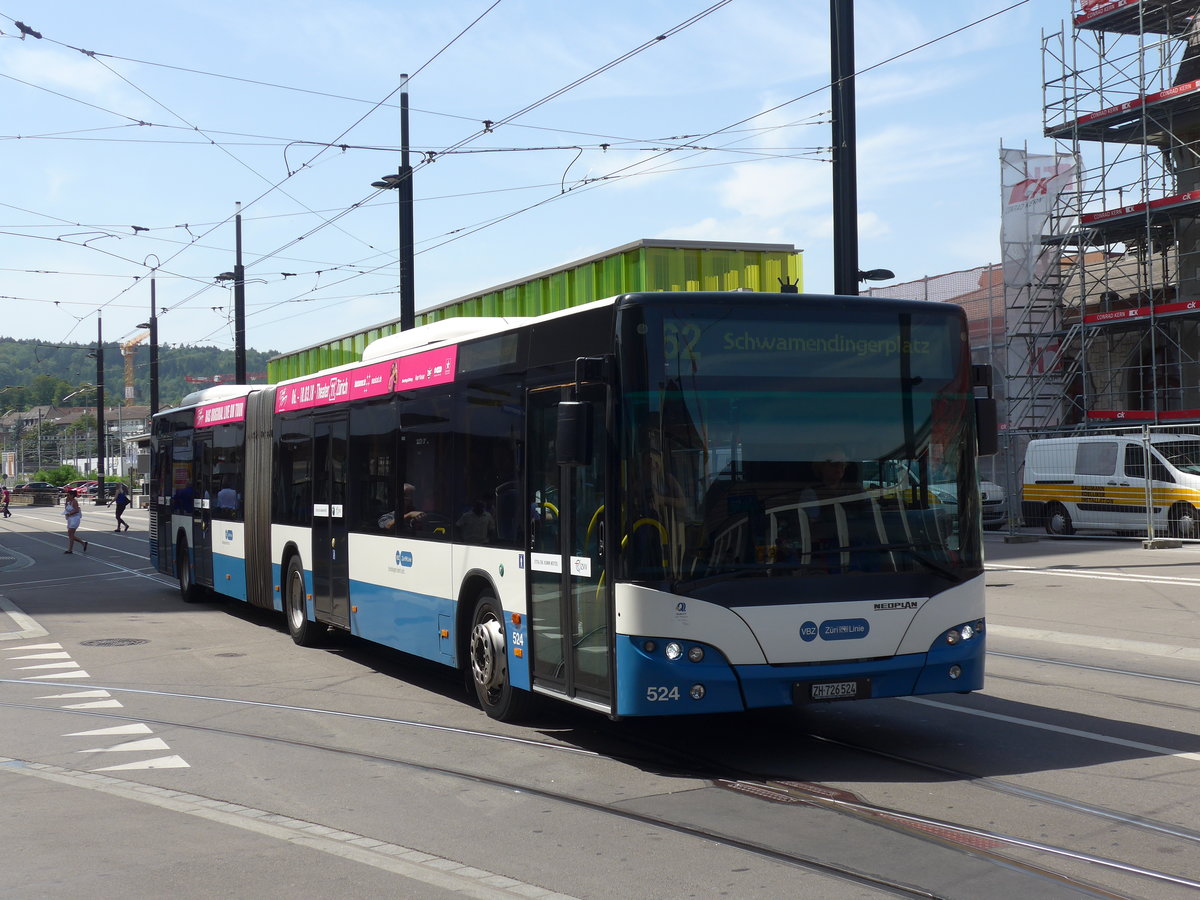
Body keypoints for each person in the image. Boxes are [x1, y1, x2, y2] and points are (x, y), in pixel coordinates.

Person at [63, 489, 87, 554]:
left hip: (75, 519)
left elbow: (76, 510)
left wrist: (69, 514)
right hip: (70, 519)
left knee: (70, 534)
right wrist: (66, 503)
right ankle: (81, 543)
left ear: (72, 495)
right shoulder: (69, 502)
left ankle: (71, 549)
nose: (67, 496)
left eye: (68, 495)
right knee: (70, 535)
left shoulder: (74, 501)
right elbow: (66, 509)